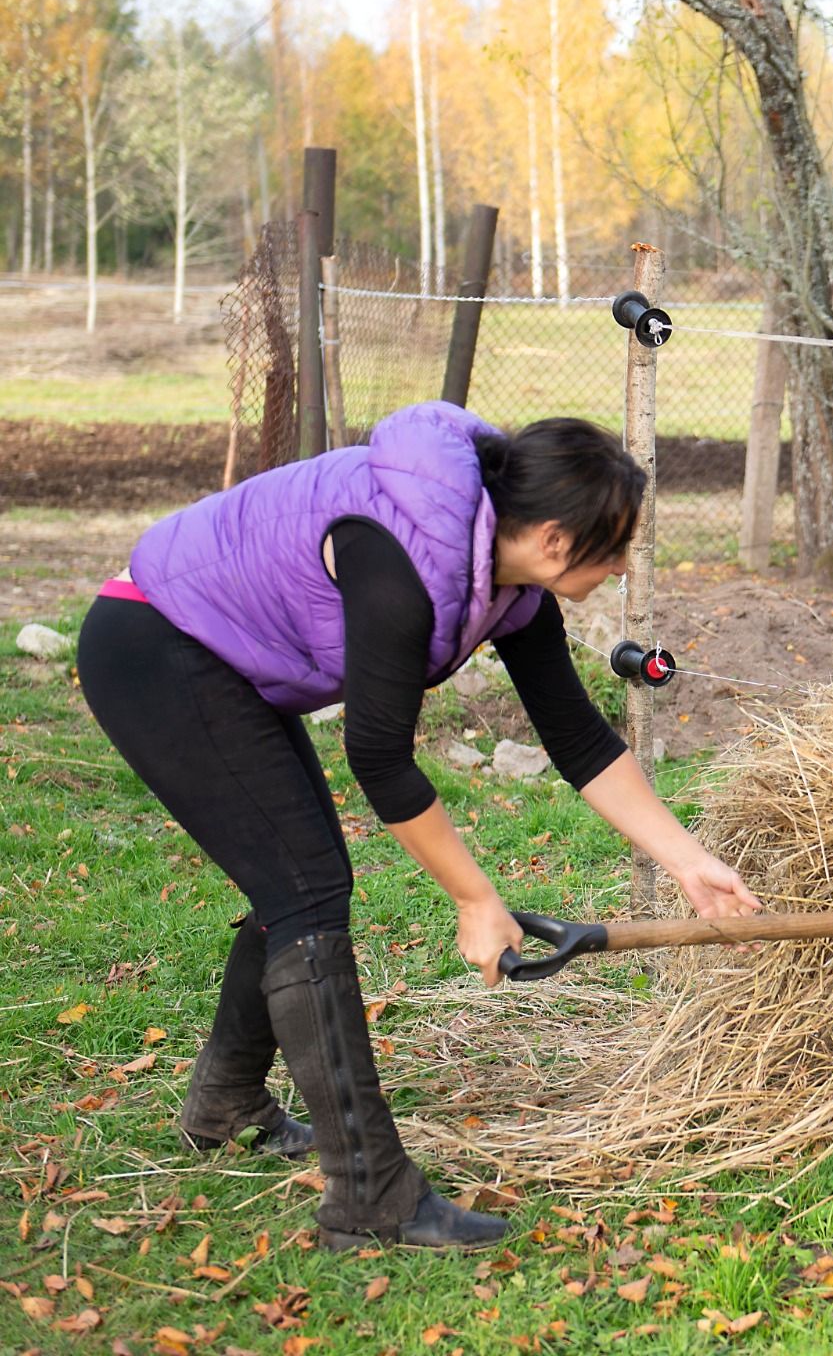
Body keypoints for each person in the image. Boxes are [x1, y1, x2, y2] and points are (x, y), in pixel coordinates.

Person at [76, 401, 762, 1251]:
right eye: (614, 547)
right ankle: (371, 1199)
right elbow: (380, 757)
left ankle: (226, 1104)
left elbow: (578, 737)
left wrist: (688, 861)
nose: (623, 567)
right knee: (308, 890)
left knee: (298, 876)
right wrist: (476, 899)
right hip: (157, 644)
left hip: (221, 654)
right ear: (553, 539)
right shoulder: (403, 560)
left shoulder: (504, 583)